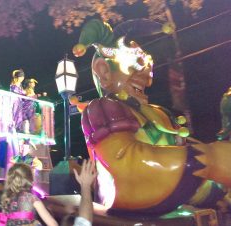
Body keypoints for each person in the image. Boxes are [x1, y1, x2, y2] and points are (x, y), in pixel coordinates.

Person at [71, 19, 231, 214]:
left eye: (148, 65)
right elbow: (126, 162)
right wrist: (204, 160)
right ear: (104, 72)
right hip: (129, 196)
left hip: (174, 192)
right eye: (135, 65)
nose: (147, 76)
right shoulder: (103, 108)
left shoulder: (156, 112)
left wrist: (212, 183)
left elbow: (186, 145)